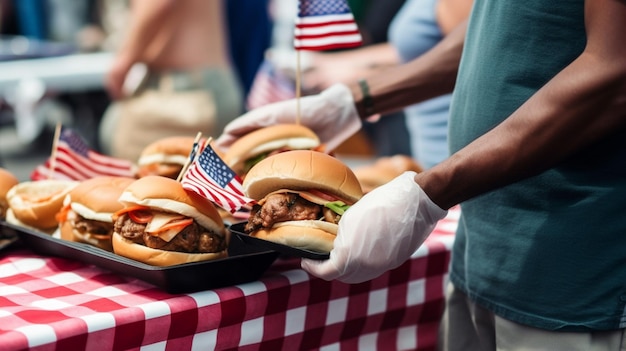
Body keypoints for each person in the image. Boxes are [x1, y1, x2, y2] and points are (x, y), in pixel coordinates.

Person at [216, 0, 626, 349]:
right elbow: (501, 31)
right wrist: (355, 100)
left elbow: (615, 69)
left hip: (576, 279)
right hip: (478, 255)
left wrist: (429, 191)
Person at [302, 0, 472, 167]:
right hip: (432, 160)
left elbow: (463, 63)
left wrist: (352, 98)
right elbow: (416, 53)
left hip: (456, 163)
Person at [101, 0, 243, 161]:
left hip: (187, 93)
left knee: (129, 159)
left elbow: (159, 4)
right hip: (197, 87)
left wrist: (123, 62)